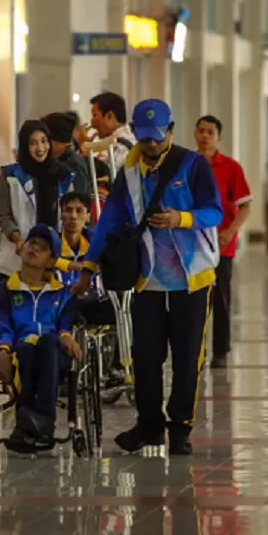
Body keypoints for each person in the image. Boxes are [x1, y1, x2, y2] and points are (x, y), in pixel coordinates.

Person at [72, 98, 223, 456]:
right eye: (146, 138)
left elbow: (215, 211)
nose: (153, 145)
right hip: (149, 280)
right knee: (145, 356)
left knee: (188, 358)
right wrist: (89, 267)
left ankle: (180, 428)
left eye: (159, 137)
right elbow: (109, 220)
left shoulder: (193, 165)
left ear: (170, 132)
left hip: (193, 279)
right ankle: (150, 425)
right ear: (137, 134)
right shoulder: (130, 172)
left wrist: (181, 219)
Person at [0, 224, 81, 453]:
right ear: (21, 249)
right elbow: (4, 327)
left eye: (43, 248)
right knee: (26, 351)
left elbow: (64, 325)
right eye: (31, 244)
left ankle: (41, 421)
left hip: (54, 353)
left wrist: (66, 336)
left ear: (51, 261)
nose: (34, 249)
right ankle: (31, 426)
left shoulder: (64, 293)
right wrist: (2, 350)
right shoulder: (1, 291)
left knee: (48, 342)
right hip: (20, 351)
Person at [194, 115, 252, 369]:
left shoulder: (231, 168)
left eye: (210, 132)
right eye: (201, 131)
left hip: (221, 245)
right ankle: (195, 348)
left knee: (221, 298)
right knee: (195, 299)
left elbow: (245, 206)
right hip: (193, 245)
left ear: (220, 137)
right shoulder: (188, 164)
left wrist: (230, 231)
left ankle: (220, 350)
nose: (205, 136)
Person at [0, 120, 76, 279]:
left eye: (44, 141)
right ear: (25, 146)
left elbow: (71, 213)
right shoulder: (10, 174)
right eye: (33, 143)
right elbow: (4, 216)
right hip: (17, 259)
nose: (40, 148)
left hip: (53, 260)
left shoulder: (64, 175)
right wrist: (17, 239)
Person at [75, 92, 137, 175]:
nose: (92, 123)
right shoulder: (110, 142)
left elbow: (106, 177)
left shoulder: (123, 145)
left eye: (95, 115)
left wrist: (84, 146)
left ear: (109, 116)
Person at [42, 111, 94, 200]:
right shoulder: (59, 160)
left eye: (44, 140)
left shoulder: (73, 165)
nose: (42, 146)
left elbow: (77, 203)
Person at [54, 191, 93, 287]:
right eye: (68, 210)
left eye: (79, 211)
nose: (73, 216)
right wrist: (71, 265)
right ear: (61, 215)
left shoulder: (96, 243)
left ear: (88, 217)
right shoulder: (51, 243)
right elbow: (44, 260)